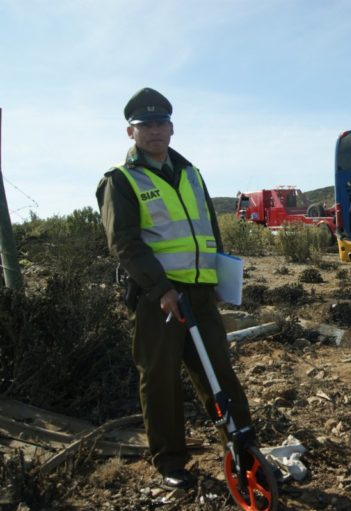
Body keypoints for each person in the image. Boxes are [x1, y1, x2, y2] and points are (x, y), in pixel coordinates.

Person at [96, 87, 251, 489]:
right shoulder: (121, 180)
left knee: (219, 373)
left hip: (200, 293)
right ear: (130, 132)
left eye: (160, 122)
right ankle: (170, 462)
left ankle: (242, 449)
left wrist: (219, 275)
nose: (154, 131)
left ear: (172, 127)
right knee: (160, 379)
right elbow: (125, 244)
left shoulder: (191, 173)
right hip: (159, 297)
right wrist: (161, 288)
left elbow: (209, 232)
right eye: (144, 125)